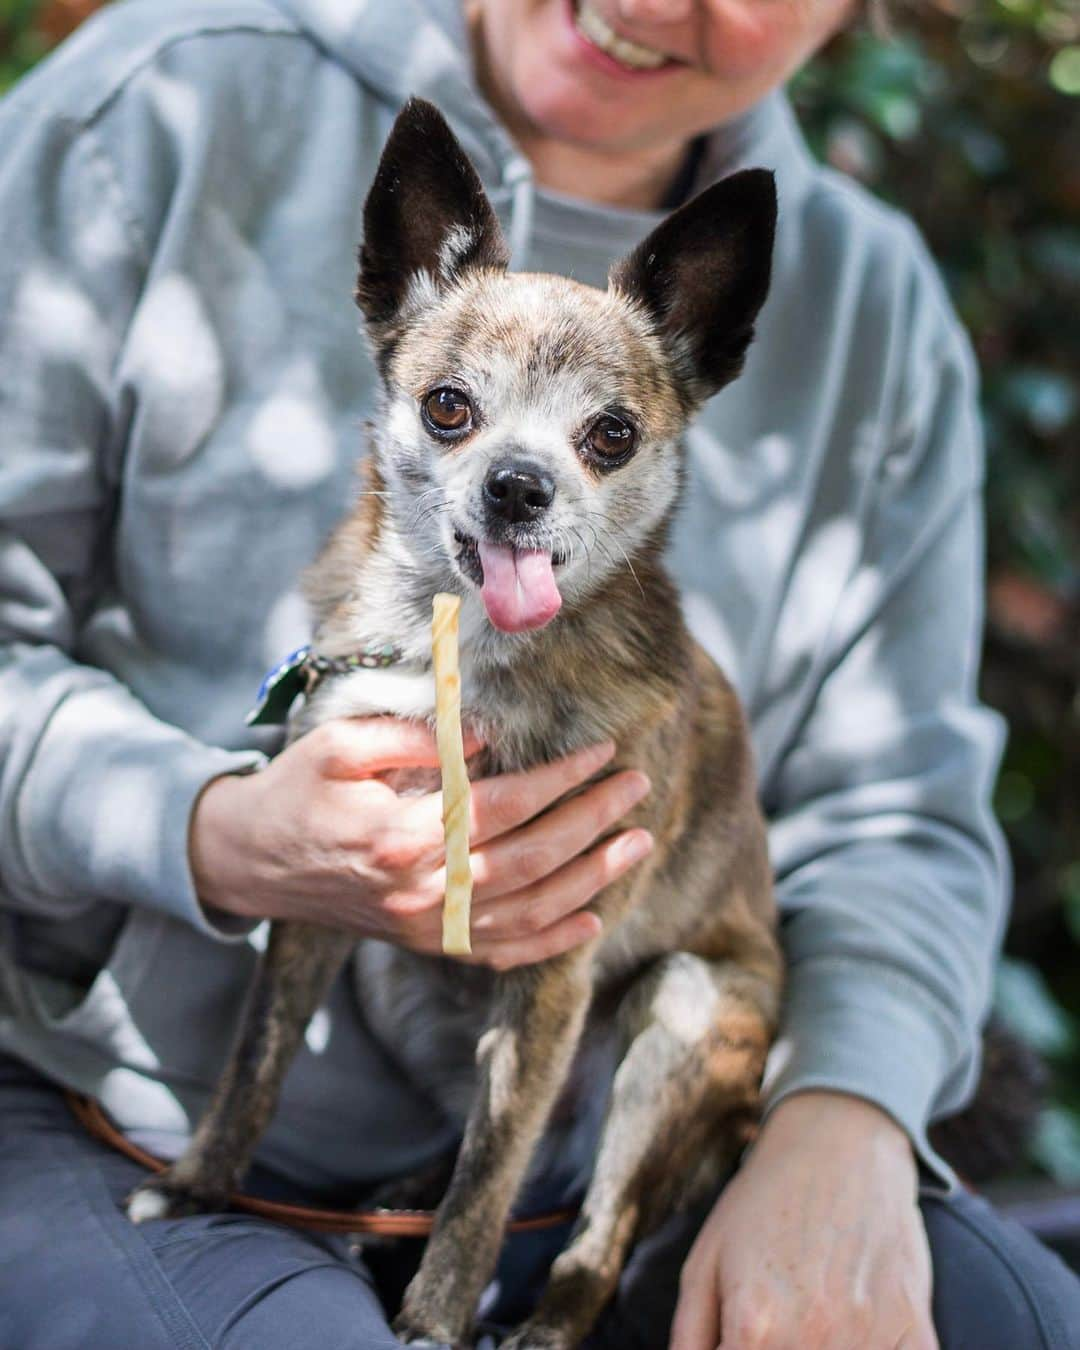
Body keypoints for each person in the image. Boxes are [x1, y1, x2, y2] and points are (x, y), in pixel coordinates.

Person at [0, 0, 1077, 1347]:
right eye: (454, 412)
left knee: (1020, 1322)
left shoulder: (876, 307)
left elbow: (898, 818)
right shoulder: (161, 99)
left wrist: (846, 1117)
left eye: (606, 439)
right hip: (111, 1120)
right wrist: (211, 832)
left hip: (609, 1141)